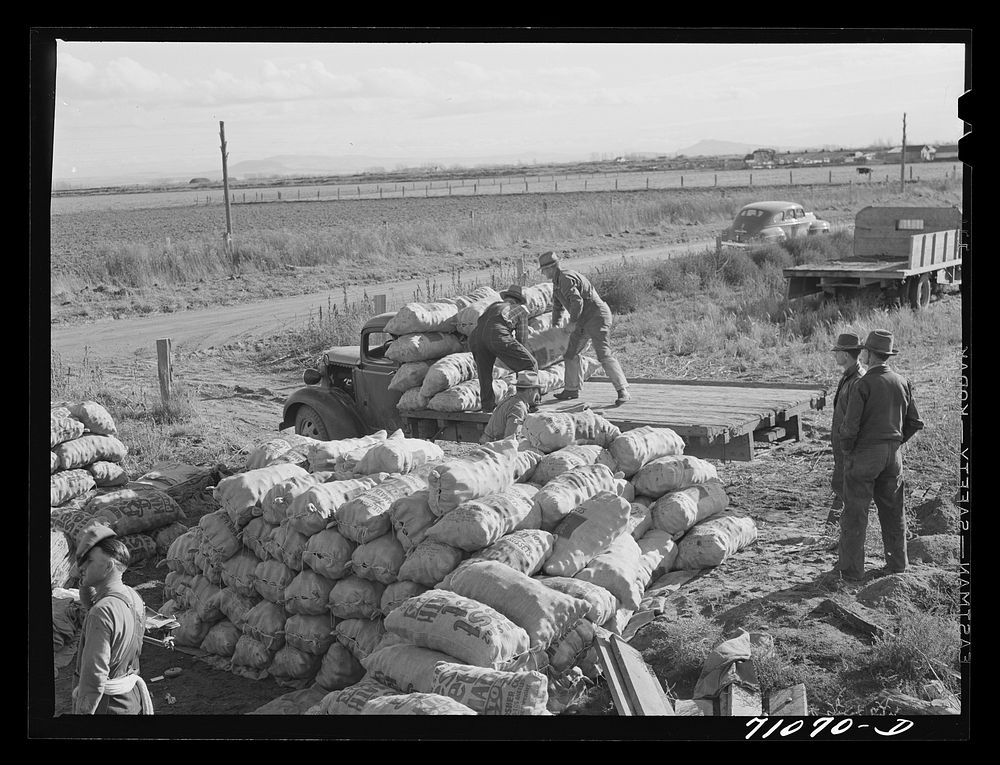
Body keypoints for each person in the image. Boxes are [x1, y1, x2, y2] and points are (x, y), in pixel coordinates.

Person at [826, 329, 924, 584]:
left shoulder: (863, 384)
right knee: (893, 512)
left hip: (865, 456)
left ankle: (850, 573)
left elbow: (849, 427)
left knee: (855, 513)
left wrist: (849, 453)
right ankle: (897, 566)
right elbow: (915, 422)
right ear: (887, 355)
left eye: (865, 351)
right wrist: (894, 442)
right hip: (893, 456)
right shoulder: (902, 381)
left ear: (868, 354)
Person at [72, 522, 154, 715]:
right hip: (131, 701)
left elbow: (94, 676)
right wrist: (83, 580)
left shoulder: (102, 612)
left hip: (105, 706)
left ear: (108, 567)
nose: (81, 567)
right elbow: (93, 603)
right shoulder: (133, 596)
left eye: (88, 561)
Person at [538, 251, 631, 406]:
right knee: (570, 353)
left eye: (544, 270)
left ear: (551, 268)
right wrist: (555, 326)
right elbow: (557, 306)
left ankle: (623, 391)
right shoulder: (557, 282)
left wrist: (572, 322)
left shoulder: (566, 278)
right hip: (582, 320)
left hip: (596, 317)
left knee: (603, 354)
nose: (543, 273)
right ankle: (571, 389)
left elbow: (577, 302)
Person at [468, 284, 538, 413]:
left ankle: (487, 406)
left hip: (475, 337)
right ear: (518, 300)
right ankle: (529, 403)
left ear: (506, 298)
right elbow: (522, 339)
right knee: (529, 364)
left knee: (484, 373)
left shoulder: (492, 307)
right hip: (496, 335)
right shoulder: (520, 309)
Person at [826, 332, 866, 525]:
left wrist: (847, 448)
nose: (835, 355)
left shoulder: (858, 380)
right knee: (842, 488)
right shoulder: (849, 377)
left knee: (844, 489)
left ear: (846, 354)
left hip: (849, 448)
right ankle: (834, 532)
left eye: (838, 352)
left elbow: (854, 421)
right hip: (843, 447)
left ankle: (833, 532)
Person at [480, 370, 542, 443]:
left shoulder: (512, 399)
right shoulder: (518, 408)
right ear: (530, 391)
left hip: (491, 443)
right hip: (495, 447)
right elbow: (510, 439)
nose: (537, 395)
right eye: (536, 391)